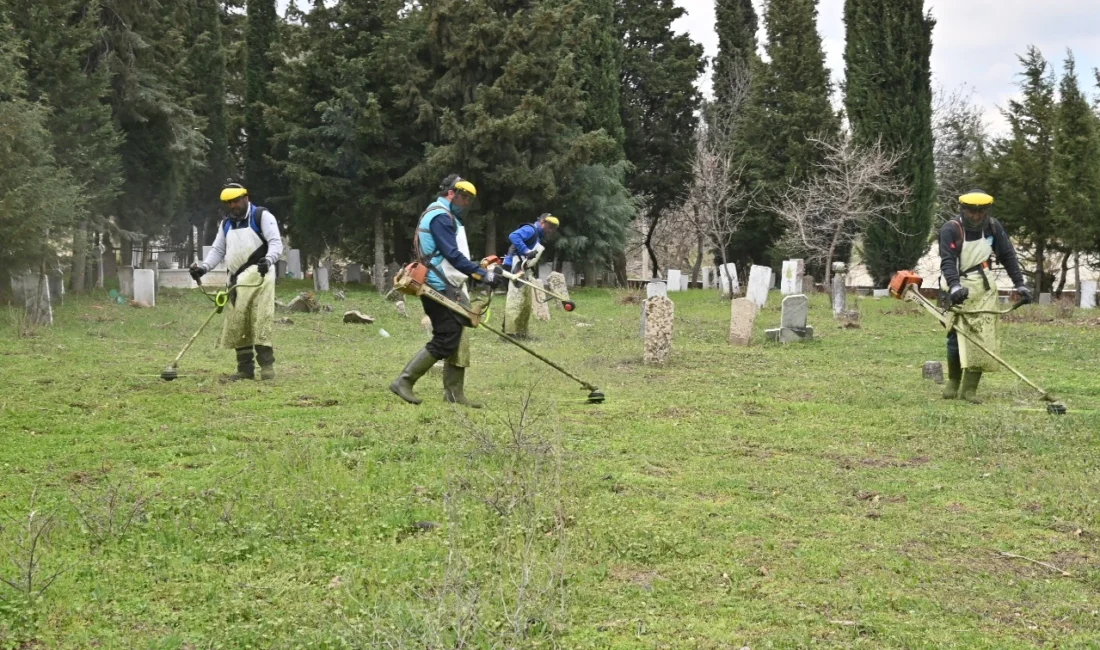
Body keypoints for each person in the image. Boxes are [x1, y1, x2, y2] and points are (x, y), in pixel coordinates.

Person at [389, 175, 504, 407]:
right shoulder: (441, 217)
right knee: (446, 336)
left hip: (447, 283)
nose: (465, 203)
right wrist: (482, 275)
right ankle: (404, 381)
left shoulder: (442, 213)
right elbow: (452, 254)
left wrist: (478, 269)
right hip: (437, 285)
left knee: (458, 335)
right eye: (462, 197)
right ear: (450, 193)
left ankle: (454, 393)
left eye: (469, 199)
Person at [939, 190, 1032, 403]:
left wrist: (1020, 284)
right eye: (972, 211)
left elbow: (1008, 255)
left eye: (981, 211)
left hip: (983, 286)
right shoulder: (951, 229)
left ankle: (969, 389)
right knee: (955, 335)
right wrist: (954, 287)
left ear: (987, 210)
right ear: (963, 209)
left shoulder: (993, 227)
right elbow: (948, 261)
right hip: (956, 285)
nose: (976, 216)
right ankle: (954, 381)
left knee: (982, 337)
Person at [189, 183, 283, 381]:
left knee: (260, 319)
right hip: (236, 280)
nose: (233, 206)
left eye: (236, 201)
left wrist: (269, 259)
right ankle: (244, 369)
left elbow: (275, 243)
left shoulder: (261, 216)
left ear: (246, 198)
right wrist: (203, 268)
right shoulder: (227, 224)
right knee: (238, 322)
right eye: (229, 203)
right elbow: (217, 250)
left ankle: (267, 366)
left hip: (260, 275)